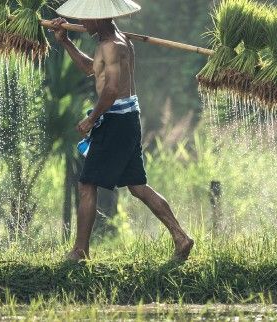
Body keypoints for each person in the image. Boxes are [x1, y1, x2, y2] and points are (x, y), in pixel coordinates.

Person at [49, 0, 193, 261]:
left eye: (86, 18)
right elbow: (91, 69)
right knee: (137, 186)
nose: (82, 23)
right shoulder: (116, 41)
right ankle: (181, 237)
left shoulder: (112, 45)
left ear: (99, 18)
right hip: (126, 119)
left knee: (87, 184)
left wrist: (91, 119)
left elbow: (112, 90)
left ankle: (80, 251)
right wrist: (65, 41)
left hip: (116, 120)